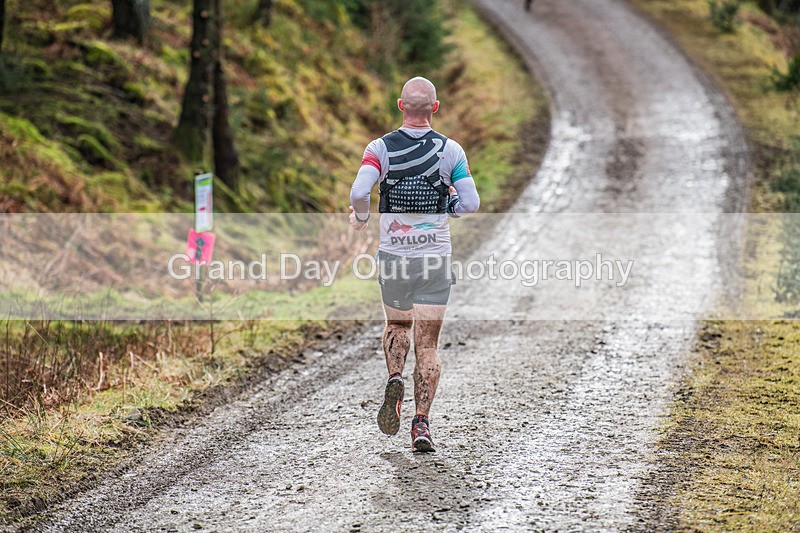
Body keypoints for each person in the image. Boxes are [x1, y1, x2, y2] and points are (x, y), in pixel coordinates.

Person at [349, 77, 480, 452]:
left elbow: (360, 191)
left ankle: (394, 376)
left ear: (400, 106)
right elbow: (469, 204)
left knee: (396, 324)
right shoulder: (450, 151)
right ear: (435, 108)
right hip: (434, 259)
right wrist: (449, 205)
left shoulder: (380, 148)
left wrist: (361, 216)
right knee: (429, 346)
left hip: (394, 258)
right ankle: (420, 424)